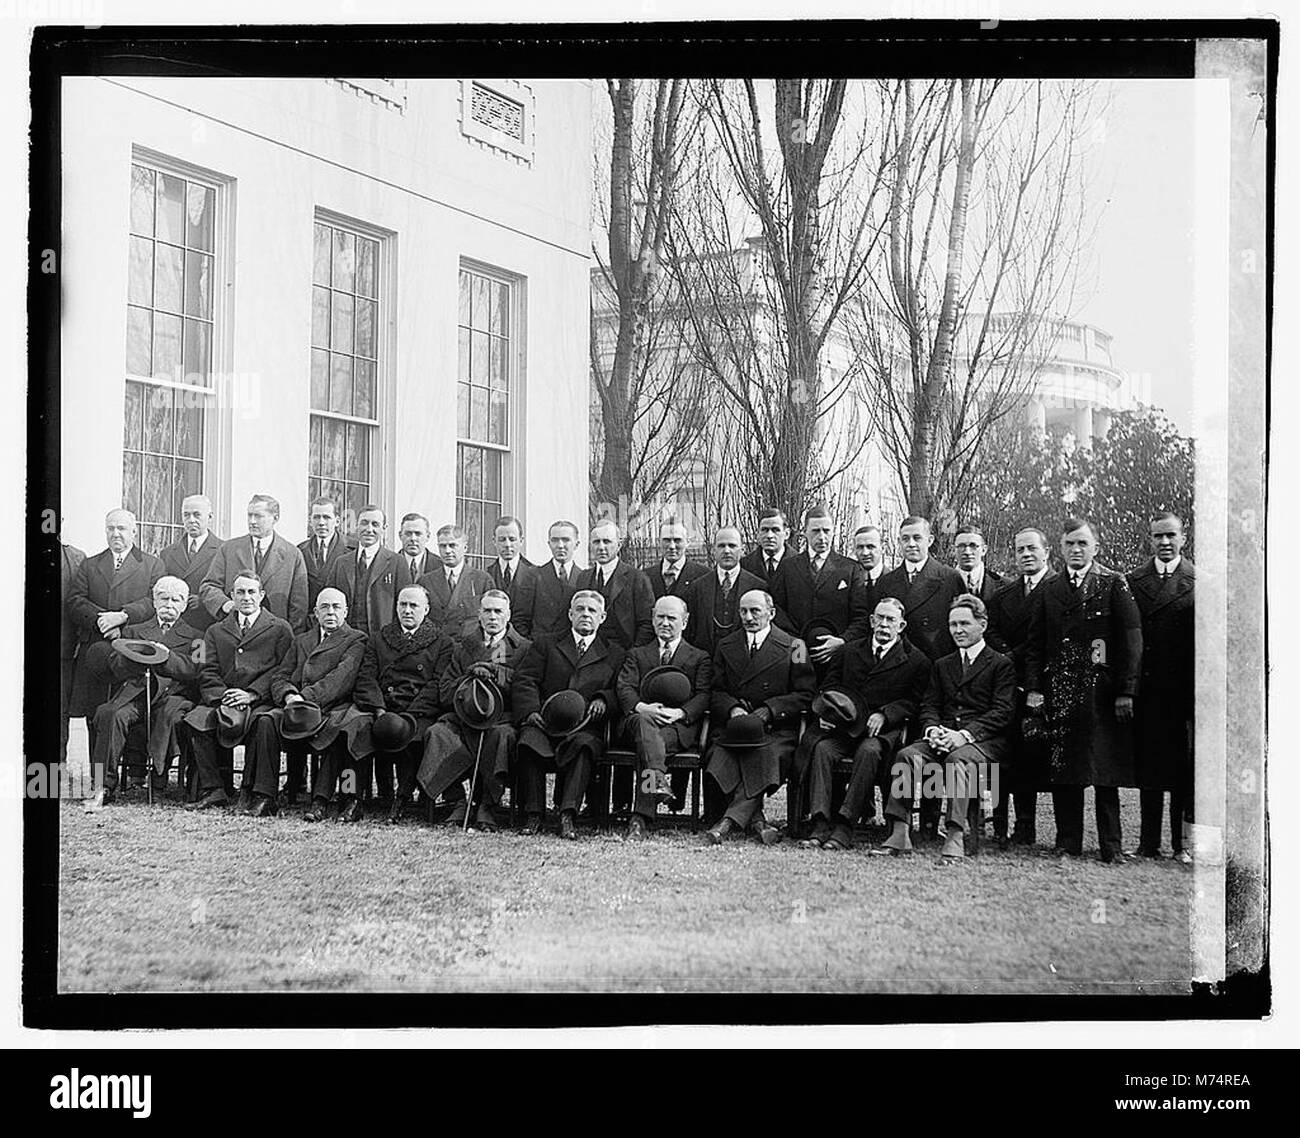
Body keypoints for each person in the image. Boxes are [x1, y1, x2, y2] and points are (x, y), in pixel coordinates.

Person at [1024, 518, 1143, 864]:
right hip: (1060, 691)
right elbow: (1035, 645)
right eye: (1069, 544)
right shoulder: (1049, 590)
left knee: (1105, 772)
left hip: (1102, 694)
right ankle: (1067, 842)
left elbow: (1131, 641)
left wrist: (1127, 691)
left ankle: (1111, 845)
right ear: (1059, 549)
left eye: (1082, 544)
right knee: (1064, 769)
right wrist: (1034, 688)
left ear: (1095, 547)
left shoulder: (1112, 583)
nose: (1076, 550)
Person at [876, 594, 1016, 862]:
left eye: (964, 623)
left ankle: (955, 835)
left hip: (984, 743)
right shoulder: (943, 664)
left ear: (983, 625)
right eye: (953, 625)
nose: (958, 630)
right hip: (943, 738)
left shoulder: (1001, 664)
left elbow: (1002, 712)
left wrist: (964, 736)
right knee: (907, 755)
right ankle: (900, 831)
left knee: (958, 760)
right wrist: (933, 731)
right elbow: (929, 706)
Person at [794, 597, 931, 849]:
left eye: (890, 620)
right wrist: (826, 713)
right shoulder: (848, 651)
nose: (884, 624)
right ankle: (820, 823)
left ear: (901, 626)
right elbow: (828, 687)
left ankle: (845, 825)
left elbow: (915, 702)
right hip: (844, 727)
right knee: (822, 749)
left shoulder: (916, 660)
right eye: (879, 618)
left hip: (881, 731)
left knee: (868, 752)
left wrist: (886, 714)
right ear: (871, 621)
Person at [704, 590, 816, 845]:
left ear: (772, 613)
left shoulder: (795, 646)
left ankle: (728, 822)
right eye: (743, 611)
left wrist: (770, 710)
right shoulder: (725, 645)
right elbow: (716, 690)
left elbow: (805, 693)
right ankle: (756, 821)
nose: (749, 617)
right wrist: (732, 708)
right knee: (720, 754)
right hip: (736, 727)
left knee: (765, 754)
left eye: (755, 611)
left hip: (775, 729)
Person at [417, 589, 532, 830]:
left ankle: (487, 805)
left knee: (502, 738)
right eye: (487, 611)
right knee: (438, 733)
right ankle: (456, 800)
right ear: (479, 615)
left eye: (498, 611)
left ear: (508, 615)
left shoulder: (522, 648)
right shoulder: (463, 648)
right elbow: (445, 690)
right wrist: (468, 679)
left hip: (501, 719)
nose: (492, 616)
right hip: (463, 716)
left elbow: (526, 690)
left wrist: (497, 674)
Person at [513, 591, 624, 840]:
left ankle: (567, 814)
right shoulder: (546, 644)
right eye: (580, 609)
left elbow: (622, 690)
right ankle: (534, 814)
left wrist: (603, 699)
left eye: (592, 611)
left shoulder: (614, 653)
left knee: (584, 746)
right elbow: (525, 680)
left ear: (602, 617)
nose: (586, 614)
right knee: (528, 741)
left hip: (585, 725)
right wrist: (531, 711)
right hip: (545, 721)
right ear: (570, 614)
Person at [181, 572, 295, 813]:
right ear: (231, 596)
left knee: (264, 724)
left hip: (261, 700)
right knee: (197, 720)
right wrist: (225, 696)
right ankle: (214, 790)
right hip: (224, 698)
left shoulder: (280, 628)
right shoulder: (214, 631)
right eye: (240, 592)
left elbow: (284, 669)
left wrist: (253, 694)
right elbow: (206, 668)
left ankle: (261, 794)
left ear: (261, 595)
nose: (246, 597)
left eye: (252, 592)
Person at [254, 587, 369, 823]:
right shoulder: (302, 641)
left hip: (331, 707)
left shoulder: (356, 639)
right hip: (296, 706)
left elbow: (340, 680)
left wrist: (304, 698)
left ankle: (333, 799)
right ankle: (265, 796)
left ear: (345, 612)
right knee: (266, 720)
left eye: (336, 607)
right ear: (315, 612)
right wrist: (289, 696)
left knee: (343, 730)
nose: (330, 612)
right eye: (324, 607)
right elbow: (280, 675)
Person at [86, 576, 202, 807]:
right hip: (138, 693)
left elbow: (197, 669)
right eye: (164, 598)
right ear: (154, 601)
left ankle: (157, 783)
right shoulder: (133, 631)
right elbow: (117, 667)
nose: (169, 605)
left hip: (174, 695)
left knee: (167, 715)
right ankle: (103, 786)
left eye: (176, 600)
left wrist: (166, 657)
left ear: (185, 604)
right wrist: (139, 657)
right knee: (111, 713)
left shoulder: (198, 636)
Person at [350, 585, 454, 823]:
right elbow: (366, 677)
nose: (407, 610)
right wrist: (379, 710)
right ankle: (351, 796)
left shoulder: (441, 642)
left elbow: (437, 683)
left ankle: (402, 797)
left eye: (413, 606)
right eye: (402, 605)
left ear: (425, 610)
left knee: (413, 737)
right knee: (353, 734)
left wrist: (409, 715)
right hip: (382, 708)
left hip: (417, 710)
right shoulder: (380, 638)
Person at [67, 508, 165, 752]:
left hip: (133, 649)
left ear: (134, 531)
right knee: (95, 713)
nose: (116, 534)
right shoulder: (90, 564)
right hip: (94, 649)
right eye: (110, 528)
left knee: (131, 710)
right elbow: (75, 600)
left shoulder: (152, 565)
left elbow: (153, 602)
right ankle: (97, 775)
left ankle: (135, 774)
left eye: (121, 528)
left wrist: (122, 617)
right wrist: (103, 621)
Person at [1127, 512, 1195, 863]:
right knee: (1149, 769)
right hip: (1148, 690)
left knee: (1181, 771)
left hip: (1183, 692)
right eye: (1158, 537)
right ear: (1149, 539)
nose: (1164, 543)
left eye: (1171, 536)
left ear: (1184, 538)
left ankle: (1179, 845)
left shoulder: (1199, 581)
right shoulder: (1134, 580)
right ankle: (1147, 843)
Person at [616, 594, 712, 840]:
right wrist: (641, 707)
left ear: (685, 621)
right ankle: (653, 788)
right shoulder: (637, 654)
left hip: (677, 727)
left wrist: (680, 712)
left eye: (672, 618)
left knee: (647, 747)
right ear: (652, 618)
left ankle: (640, 818)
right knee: (644, 729)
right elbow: (624, 687)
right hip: (638, 721)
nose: (665, 623)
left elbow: (703, 695)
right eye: (660, 617)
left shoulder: (699, 657)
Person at [984, 526, 1057, 846]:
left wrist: (1022, 658)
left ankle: (1028, 825)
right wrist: (1007, 656)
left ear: (1047, 552)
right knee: (1005, 753)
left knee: (1035, 756)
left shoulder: (1058, 589)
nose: (1026, 555)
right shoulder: (1004, 594)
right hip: (1007, 684)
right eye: (1019, 550)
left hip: (1044, 683)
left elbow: (1048, 638)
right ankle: (999, 823)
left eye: (1032, 549)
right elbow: (992, 631)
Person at [770, 505, 873, 677]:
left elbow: (861, 616)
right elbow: (776, 608)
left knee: (831, 697)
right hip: (798, 650)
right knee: (800, 690)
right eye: (816, 531)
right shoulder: (788, 566)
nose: (822, 537)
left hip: (837, 653)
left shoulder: (850, 569)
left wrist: (842, 641)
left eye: (826, 530)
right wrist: (794, 640)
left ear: (833, 531)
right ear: (805, 532)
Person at [201, 494, 310, 632]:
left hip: (274, 637)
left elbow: (299, 606)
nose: (252, 521)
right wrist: (225, 604)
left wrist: (291, 639)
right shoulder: (229, 549)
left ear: (275, 518)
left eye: (258, 516)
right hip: (233, 633)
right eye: (249, 515)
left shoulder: (292, 555)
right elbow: (209, 586)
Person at [878, 515, 965, 661]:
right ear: (899, 542)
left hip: (936, 660)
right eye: (905, 539)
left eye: (917, 538)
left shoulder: (950, 578)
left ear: (930, 540)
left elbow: (962, 625)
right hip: (897, 662)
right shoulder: (886, 582)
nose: (911, 544)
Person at [683, 527, 765, 657]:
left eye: (732, 546)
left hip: (743, 661)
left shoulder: (757, 586)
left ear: (742, 550)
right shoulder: (697, 587)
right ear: (713, 550)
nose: (727, 551)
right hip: (707, 662)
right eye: (721, 546)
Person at [325, 504, 400, 637]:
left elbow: (403, 605)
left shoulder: (397, 562)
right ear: (356, 527)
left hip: (382, 640)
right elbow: (329, 599)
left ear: (384, 529)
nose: (369, 529)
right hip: (346, 639)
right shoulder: (341, 563)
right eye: (364, 523)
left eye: (375, 524)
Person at [159, 493, 225, 631]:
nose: (191, 520)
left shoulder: (224, 550)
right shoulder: (168, 553)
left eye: (197, 514)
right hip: (176, 625)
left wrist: (204, 601)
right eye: (186, 515)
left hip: (207, 624)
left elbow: (229, 588)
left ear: (210, 517)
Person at [417, 524, 493, 642]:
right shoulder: (426, 581)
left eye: (452, 545)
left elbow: (492, 619)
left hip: (469, 649)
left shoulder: (482, 580)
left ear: (465, 548)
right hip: (436, 648)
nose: (447, 551)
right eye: (443, 546)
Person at [511, 520, 582, 641]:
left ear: (576, 544)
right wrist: (530, 645)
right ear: (549, 544)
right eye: (555, 540)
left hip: (571, 651)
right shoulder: (533, 576)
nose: (560, 545)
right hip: (540, 651)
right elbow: (520, 619)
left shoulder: (584, 577)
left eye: (566, 540)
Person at [298, 496, 357, 609]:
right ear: (310, 521)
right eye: (316, 517)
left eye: (326, 517)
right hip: (310, 619)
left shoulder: (353, 550)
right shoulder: (300, 551)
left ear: (337, 521)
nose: (321, 522)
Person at [60, 538, 86, 765]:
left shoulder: (75, 558)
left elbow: (79, 602)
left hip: (62, 649)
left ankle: (54, 767)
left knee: (59, 710)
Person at [645, 519, 707, 601]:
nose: (672, 546)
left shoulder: (703, 576)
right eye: (666, 540)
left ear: (687, 542)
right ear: (658, 542)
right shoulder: (645, 577)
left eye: (677, 540)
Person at [486, 515, 535, 607]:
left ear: (521, 541)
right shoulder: (487, 574)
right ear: (494, 541)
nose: (507, 544)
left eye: (512, 539)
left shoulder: (535, 574)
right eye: (502, 540)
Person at [952, 525, 1003, 604]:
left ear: (984, 550)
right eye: (961, 546)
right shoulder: (942, 585)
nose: (967, 552)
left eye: (973, 546)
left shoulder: (1004, 586)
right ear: (953, 550)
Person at [740, 507, 791, 584]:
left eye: (775, 530)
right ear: (758, 534)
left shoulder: (800, 565)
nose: (769, 536)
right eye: (764, 530)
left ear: (786, 534)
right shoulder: (744, 565)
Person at [394, 512, 438, 593]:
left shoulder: (439, 565)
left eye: (418, 534)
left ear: (427, 536)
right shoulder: (390, 565)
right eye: (408, 534)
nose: (413, 538)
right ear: (400, 535)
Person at [852, 524, 887, 614]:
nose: (865, 553)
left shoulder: (894, 580)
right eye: (860, 547)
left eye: (870, 547)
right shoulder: (847, 580)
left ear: (883, 548)